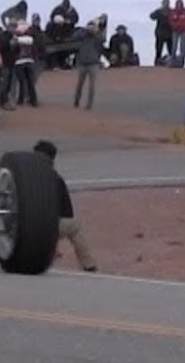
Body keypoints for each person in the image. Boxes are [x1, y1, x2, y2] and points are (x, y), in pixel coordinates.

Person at [32, 140, 97, 272]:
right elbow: (66, 211)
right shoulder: (54, 178)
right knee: (75, 225)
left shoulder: (25, 175)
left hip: (23, 224)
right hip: (45, 225)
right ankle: (88, 264)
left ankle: (48, 252)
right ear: (52, 159)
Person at [73, 18, 105, 110]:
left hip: (93, 63)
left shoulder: (97, 35)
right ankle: (76, 100)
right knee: (80, 84)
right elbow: (75, 36)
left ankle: (89, 104)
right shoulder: (83, 35)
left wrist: (95, 32)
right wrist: (85, 31)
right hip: (82, 62)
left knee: (92, 86)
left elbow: (102, 39)